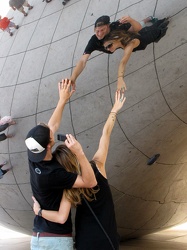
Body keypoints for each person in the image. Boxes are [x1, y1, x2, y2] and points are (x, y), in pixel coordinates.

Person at [32, 89, 126, 250]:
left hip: (84, 241)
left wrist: (39, 211)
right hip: (107, 238)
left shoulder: (68, 186)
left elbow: (61, 216)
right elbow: (106, 135)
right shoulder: (97, 166)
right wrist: (114, 109)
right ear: (74, 156)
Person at [25, 79, 97, 250]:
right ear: (49, 145)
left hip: (38, 237)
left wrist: (62, 99)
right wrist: (79, 152)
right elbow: (90, 182)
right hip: (56, 240)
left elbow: (52, 126)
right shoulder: (57, 175)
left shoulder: (32, 155)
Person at [70, 14, 157, 89]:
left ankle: (148, 19)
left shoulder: (117, 27)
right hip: (121, 42)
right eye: (97, 31)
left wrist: (130, 20)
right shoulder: (94, 40)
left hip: (127, 38)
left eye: (102, 30)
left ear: (108, 26)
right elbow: (82, 61)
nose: (99, 34)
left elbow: (137, 28)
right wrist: (73, 78)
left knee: (138, 30)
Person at [103, 18, 170, 90]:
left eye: (109, 46)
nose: (108, 49)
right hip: (146, 31)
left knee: (162, 29)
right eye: (106, 48)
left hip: (152, 34)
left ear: (115, 39)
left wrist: (120, 78)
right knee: (157, 24)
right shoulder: (122, 40)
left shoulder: (130, 44)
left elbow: (123, 62)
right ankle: (164, 20)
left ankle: (167, 21)